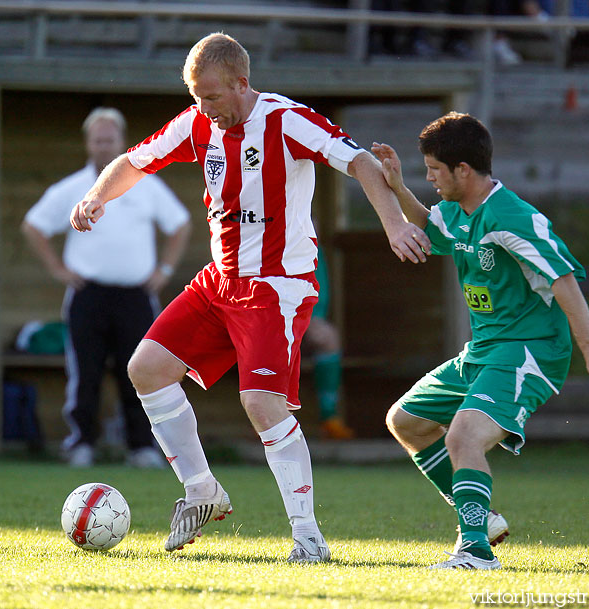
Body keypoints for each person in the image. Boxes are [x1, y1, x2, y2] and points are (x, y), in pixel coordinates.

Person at [70, 32, 429, 562]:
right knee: (146, 368)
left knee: (261, 402)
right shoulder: (198, 124)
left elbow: (361, 164)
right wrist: (96, 195)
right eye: (196, 98)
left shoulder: (287, 121)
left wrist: (394, 223)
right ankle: (201, 491)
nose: (204, 109)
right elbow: (134, 160)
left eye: (212, 97)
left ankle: (308, 537)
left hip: (277, 286)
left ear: (242, 83)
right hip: (220, 281)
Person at [372, 112, 589, 569]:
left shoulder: (515, 217)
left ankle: (475, 549)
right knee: (406, 422)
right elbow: (434, 232)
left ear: (463, 171)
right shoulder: (457, 209)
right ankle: (480, 518)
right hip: (485, 349)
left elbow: (563, 279)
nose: (428, 177)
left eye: (433, 169)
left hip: (531, 349)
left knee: (464, 435)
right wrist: (398, 188)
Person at [22, 107, 192, 468]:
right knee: (85, 373)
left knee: (141, 372)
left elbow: (180, 224)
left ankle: (142, 447)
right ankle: (81, 443)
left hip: (136, 297)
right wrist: (57, 268)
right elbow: (33, 225)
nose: (103, 146)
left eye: (110, 140)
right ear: (89, 143)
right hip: (89, 296)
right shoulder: (70, 189)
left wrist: (164, 269)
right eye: (98, 140)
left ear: (120, 142)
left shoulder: (147, 186)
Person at [302, 245, 354, 440]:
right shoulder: (273, 241)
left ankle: (329, 418)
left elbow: (319, 291)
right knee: (273, 342)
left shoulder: (313, 248)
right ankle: (267, 422)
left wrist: (311, 318)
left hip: (305, 319)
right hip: (272, 317)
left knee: (328, 337)